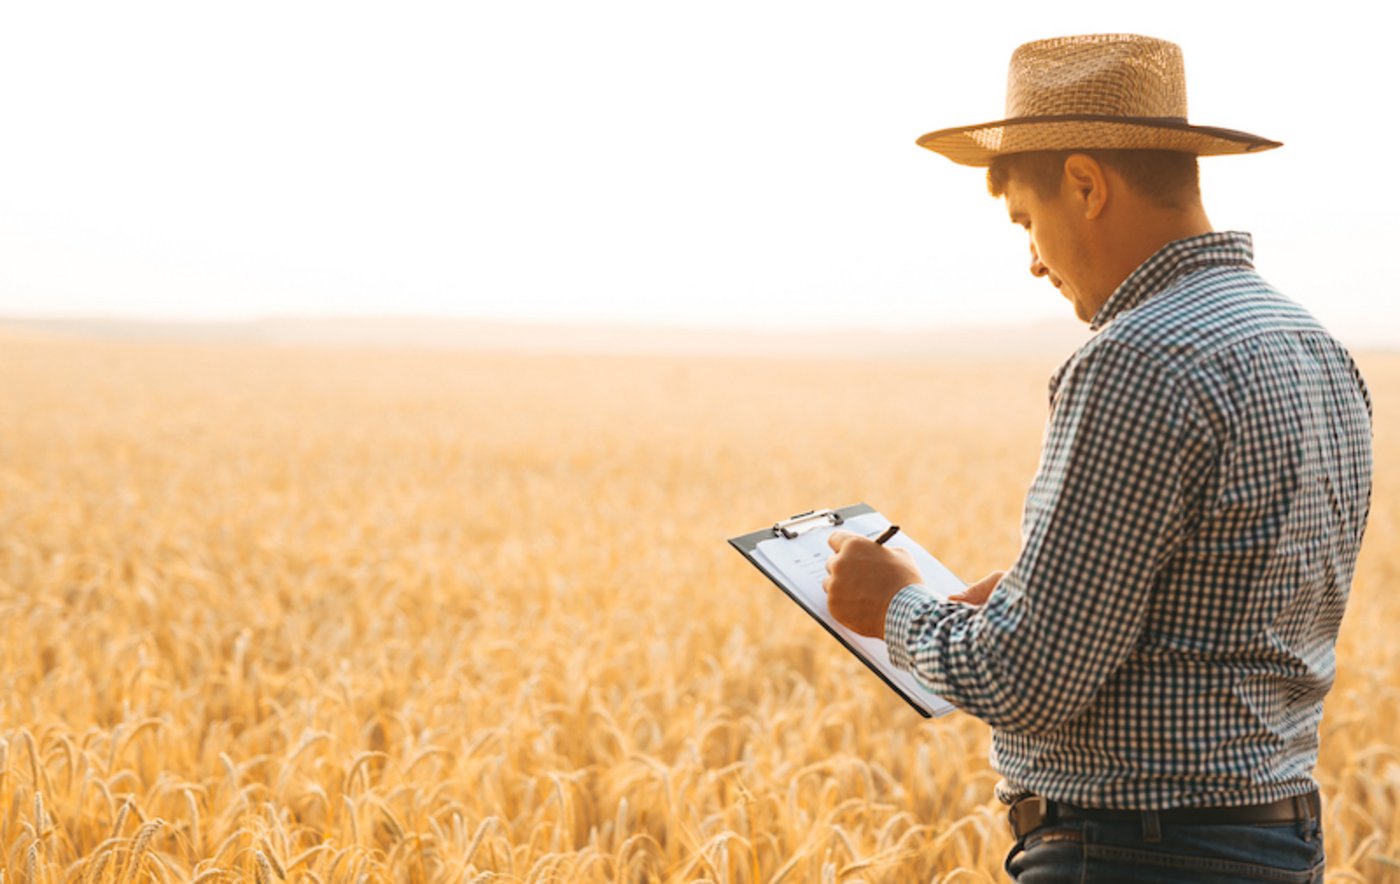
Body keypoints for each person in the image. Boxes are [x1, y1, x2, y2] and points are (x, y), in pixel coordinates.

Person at [821, 33, 1373, 882]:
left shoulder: (1137, 358)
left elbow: (1023, 679)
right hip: (1278, 844)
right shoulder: (1313, 346)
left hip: (1136, 854)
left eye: (1027, 221)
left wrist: (894, 602)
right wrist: (1036, 597)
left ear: (1086, 185)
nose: (1033, 261)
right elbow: (1225, 606)